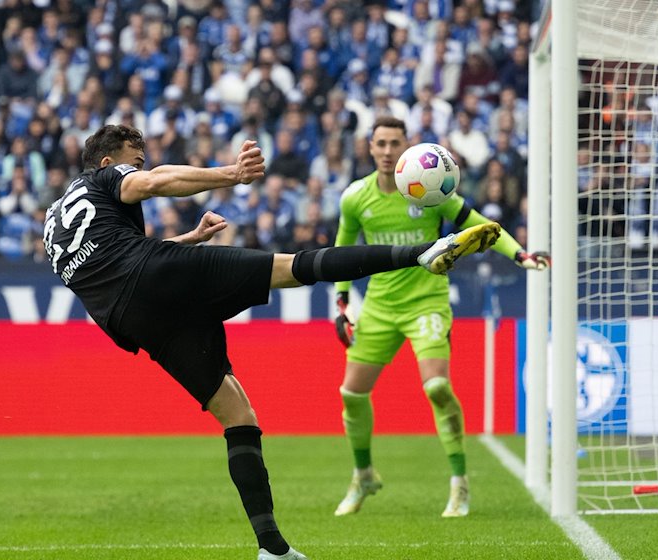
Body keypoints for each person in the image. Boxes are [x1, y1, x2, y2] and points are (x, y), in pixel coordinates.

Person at [42, 124, 502, 560]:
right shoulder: (106, 178)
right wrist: (231, 174)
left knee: (237, 414)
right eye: (134, 161)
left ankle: (272, 548)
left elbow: (106, 260)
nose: (141, 167)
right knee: (291, 267)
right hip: (152, 276)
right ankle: (421, 253)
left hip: (132, 319)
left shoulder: (54, 219)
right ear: (107, 162)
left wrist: (187, 240)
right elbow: (153, 183)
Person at [331, 116, 550, 518]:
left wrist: (520, 254)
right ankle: (363, 474)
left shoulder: (428, 189)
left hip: (427, 303)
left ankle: (459, 484)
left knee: (436, 387)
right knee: (351, 394)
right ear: (369, 146)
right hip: (379, 306)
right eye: (379, 143)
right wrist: (342, 304)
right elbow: (341, 251)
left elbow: (485, 228)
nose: (385, 151)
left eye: (394, 143)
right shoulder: (355, 198)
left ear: (406, 147)